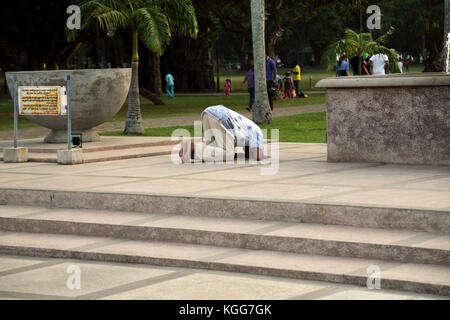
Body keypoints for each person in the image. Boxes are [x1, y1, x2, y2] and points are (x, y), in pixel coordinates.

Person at [178, 105, 266, 163]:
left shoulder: (246, 132)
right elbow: (257, 155)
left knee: (213, 152)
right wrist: (263, 156)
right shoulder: (257, 132)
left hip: (209, 113)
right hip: (222, 118)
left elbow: (249, 152)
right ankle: (192, 147)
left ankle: (190, 150)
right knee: (228, 155)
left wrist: (242, 155)